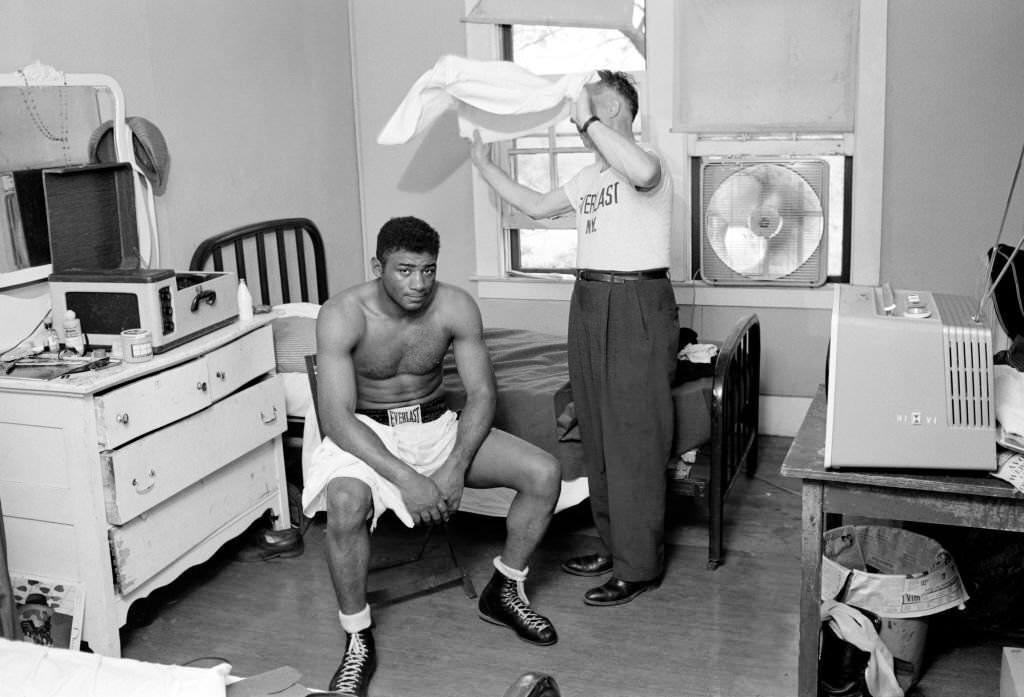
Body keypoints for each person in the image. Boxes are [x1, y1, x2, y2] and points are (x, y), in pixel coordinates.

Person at [302, 216, 561, 696]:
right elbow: (336, 418)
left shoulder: (455, 306)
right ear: (377, 265)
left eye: (428, 270)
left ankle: (504, 590)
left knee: (544, 473)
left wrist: (455, 465)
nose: (418, 283)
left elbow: (483, 394)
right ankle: (357, 636)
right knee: (343, 506)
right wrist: (409, 479)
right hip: (366, 433)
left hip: (436, 426)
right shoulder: (343, 314)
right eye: (404, 270)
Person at [470, 70, 677, 607]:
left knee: (633, 436)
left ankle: (640, 565)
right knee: (599, 431)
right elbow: (537, 206)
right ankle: (615, 545)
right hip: (588, 301)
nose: (580, 117)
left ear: (615, 112)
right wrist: (486, 167)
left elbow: (643, 170)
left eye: (592, 108)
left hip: (635, 301)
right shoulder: (589, 177)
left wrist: (582, 113)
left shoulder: (646, 160)